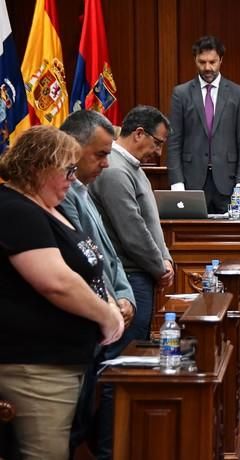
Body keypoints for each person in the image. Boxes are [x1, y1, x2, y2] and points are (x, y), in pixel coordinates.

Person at [0, 126, 124, 460]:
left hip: (67, 362)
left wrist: (108, 300)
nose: (73, 178)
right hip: (36, 369)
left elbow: (89, 266)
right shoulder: (14, 209)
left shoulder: (49, 207)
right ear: (39, 167)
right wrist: (107, 315)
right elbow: (56, 282)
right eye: (67, 170)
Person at [58, 110, 136, 458]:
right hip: (82, 325)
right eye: (101, 154)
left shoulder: (83, 189)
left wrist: (124, 295)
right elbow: (85, 260)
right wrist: (109, 302)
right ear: (73, 148)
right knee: (73, 427)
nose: (107, 163)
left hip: (107, 311)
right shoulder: (62, 196)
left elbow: (110, 256)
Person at [90, 105, 174, 347]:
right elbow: (133, 232)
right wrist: (160, 266)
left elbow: (151, 222)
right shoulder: (116, 170)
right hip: (128, 277)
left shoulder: (132, 167)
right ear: (139, 133)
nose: (158, 152)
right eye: (157, 143)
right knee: (124, 358)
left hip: (139, 273)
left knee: (135, 352)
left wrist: (165, 259)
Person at [167, 35, 240, 213]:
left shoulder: (237, 94)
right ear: (195, 60)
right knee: (191, 238)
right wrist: (177, 185)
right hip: (191, 183)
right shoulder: (181, 94)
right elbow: (174, 142)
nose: (207, 67)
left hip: (229, 184)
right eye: (202, 62)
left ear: (221, 60)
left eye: (212, 62)